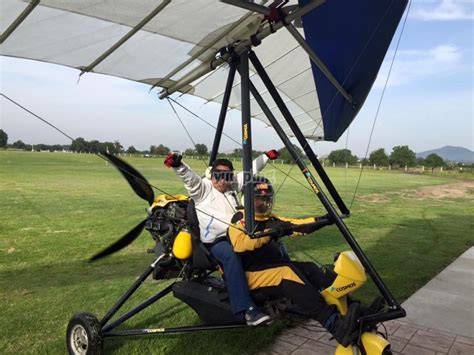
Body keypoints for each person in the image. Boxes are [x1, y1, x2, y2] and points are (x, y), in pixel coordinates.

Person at [227, 176, 360, 346]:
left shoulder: (271, 219)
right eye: (257, 199)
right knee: (286, 273)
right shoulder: (240, 218)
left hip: (270, 269)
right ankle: (334, 324)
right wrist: (270, 233)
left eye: (265, 199)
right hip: (249, 275)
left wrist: (324, 220)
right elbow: (240, 245)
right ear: (247, 199)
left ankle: (352, 310)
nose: (262, 203)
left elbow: (298, 225)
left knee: (310, 269)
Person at [164, 151, 279, 325]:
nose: (222, 180)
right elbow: (190, 179)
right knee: (230, 255)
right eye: (218, 176)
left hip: (238, 235)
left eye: (227, 176)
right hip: (216, 242)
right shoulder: (203, 189)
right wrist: (178, 165)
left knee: (269, 240)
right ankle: (246, 310)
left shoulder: (232, 186)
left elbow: (251, 170)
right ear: (212, 175)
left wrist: (267, 156)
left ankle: (277, 289)